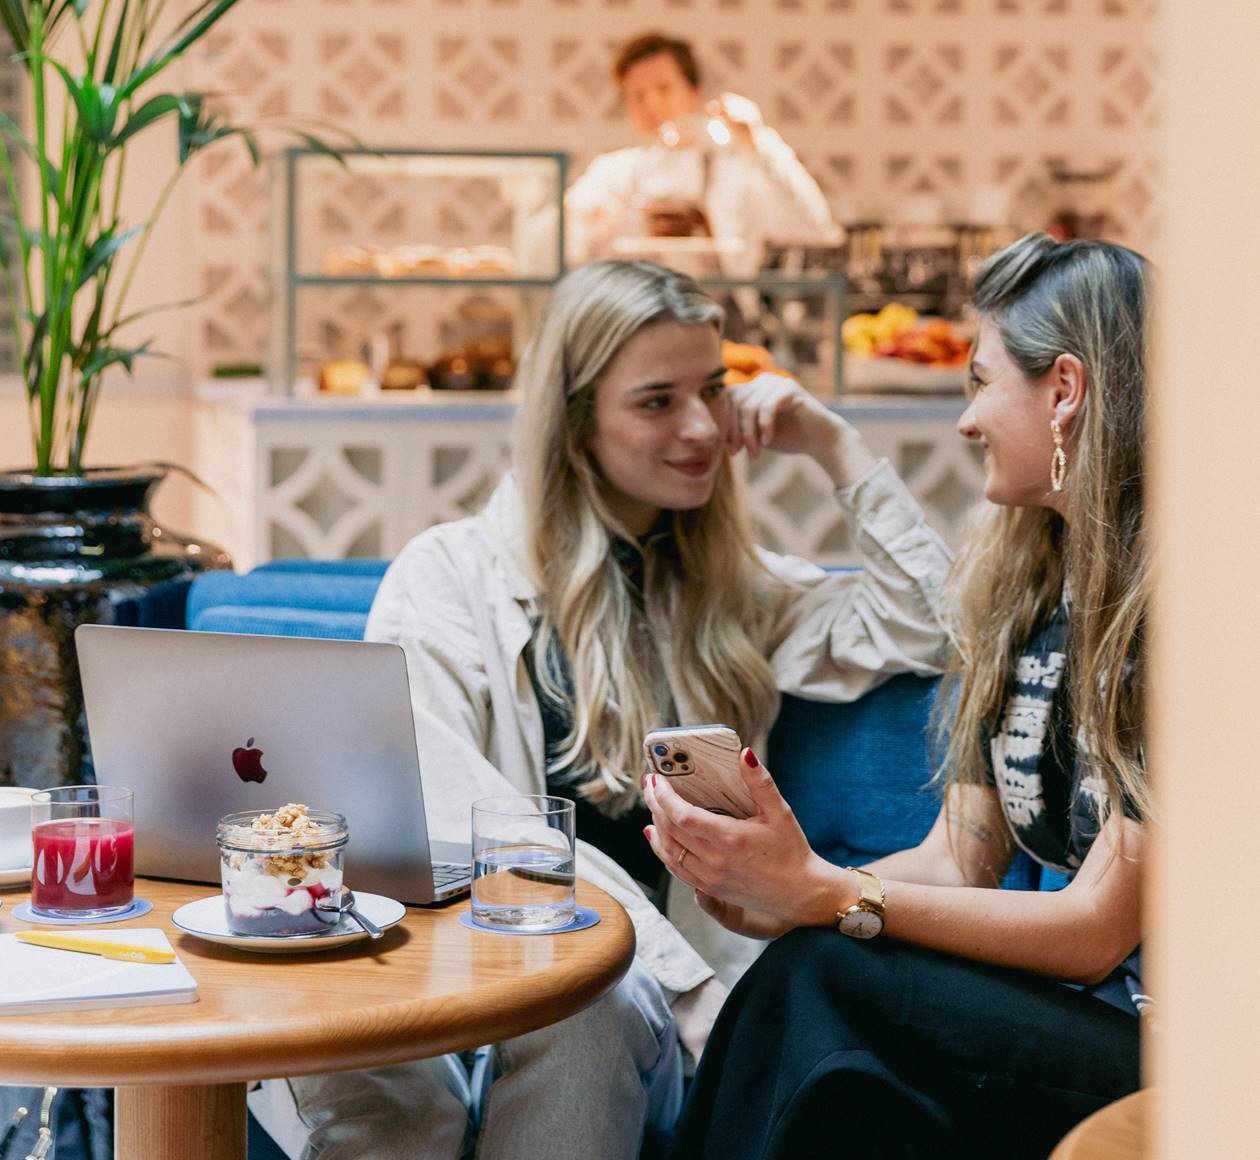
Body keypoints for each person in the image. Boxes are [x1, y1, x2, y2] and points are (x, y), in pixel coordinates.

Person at [254, 258, 951, 1159]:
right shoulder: (448, 577)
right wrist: (681, 976)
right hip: (461, 981)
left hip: (628, 1016)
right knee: (397, 1061)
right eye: (657, 401)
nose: (702, 427)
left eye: (714, 389)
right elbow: (469, 818)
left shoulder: (731, 589)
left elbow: (932, 628)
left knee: (579, 996)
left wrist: (833, 445)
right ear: (576, 421)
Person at [644, 233, 1151, 1159]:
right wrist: (780, 896)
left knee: (826, 977)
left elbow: (1095, 932)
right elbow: (960, 861)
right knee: (815, 986)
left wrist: (825, 891)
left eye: (979, 380)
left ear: (1066, 390)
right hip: (1081, 1020)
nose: (965, 420)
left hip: (1186, 1052)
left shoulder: (1177, 609)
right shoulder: (1028, 594)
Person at [565, 33, 835, 276]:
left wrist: (758, 142)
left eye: (663, 89)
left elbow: (814, 227)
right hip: (637, 322)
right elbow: (561, 244)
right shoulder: (613, 173)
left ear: (693, 90)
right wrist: (619, 222)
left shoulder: (738, 167)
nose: (652, 104)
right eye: (638, 95)